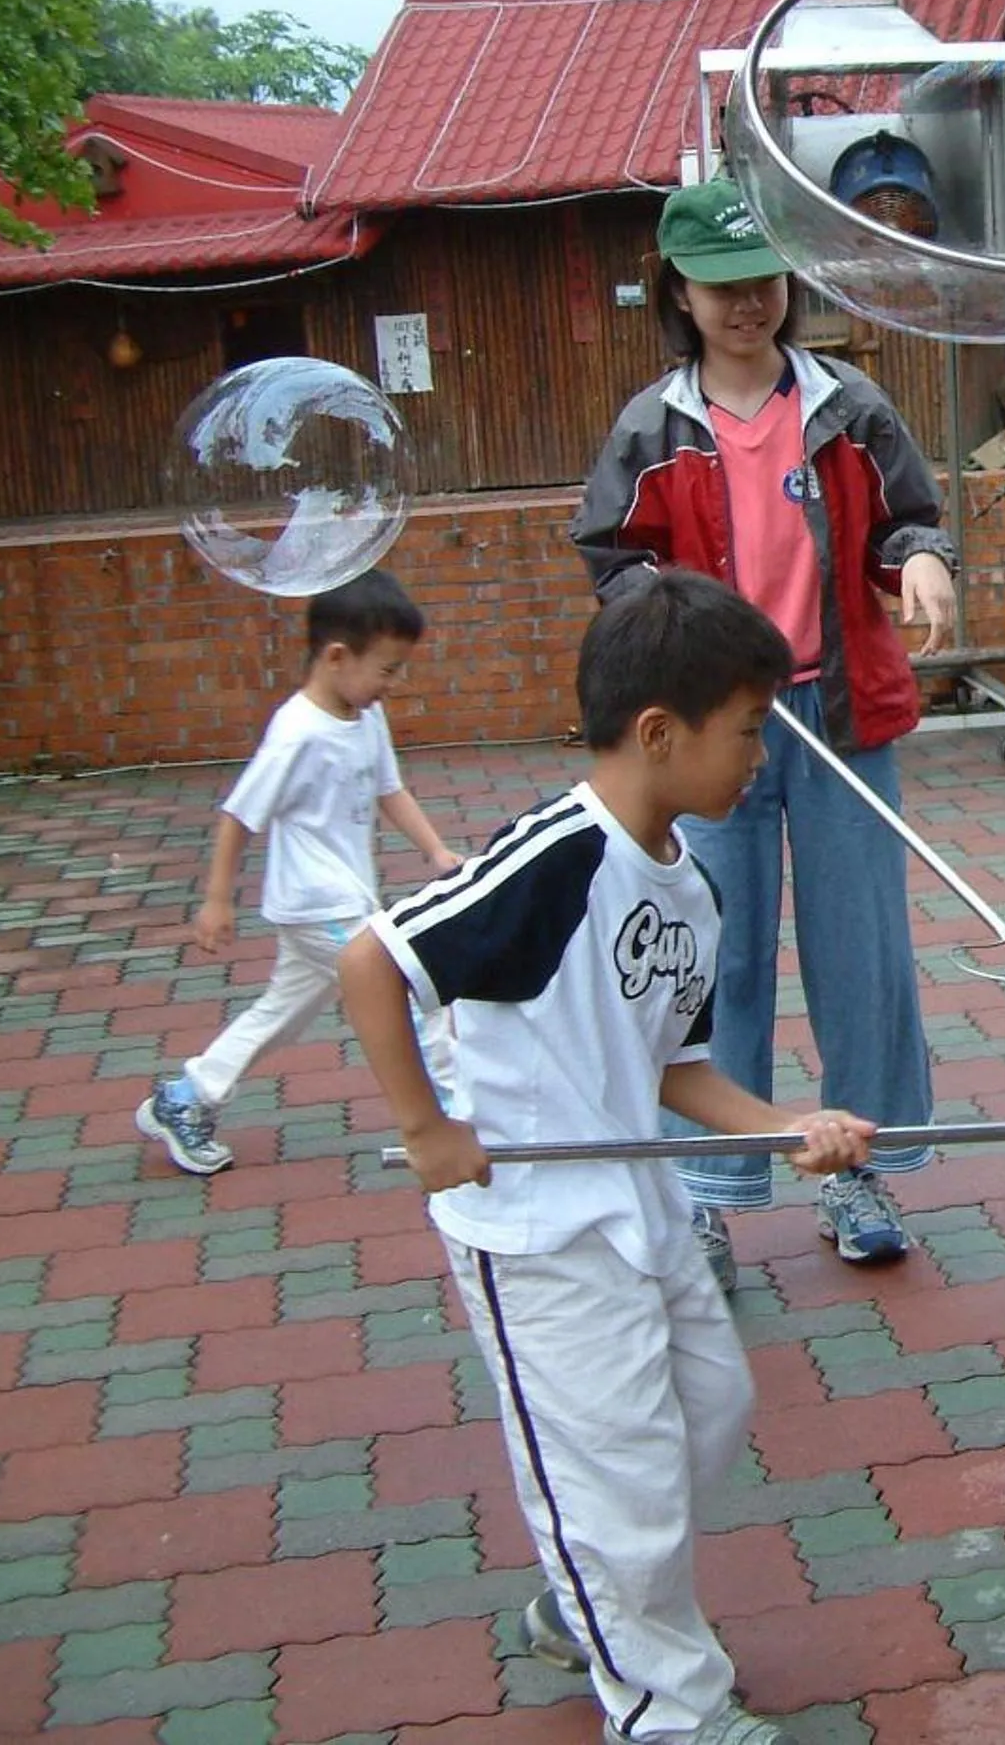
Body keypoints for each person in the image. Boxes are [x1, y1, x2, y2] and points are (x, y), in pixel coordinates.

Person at [342, 570, 876, 1745]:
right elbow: (373, 960)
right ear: (659, 731)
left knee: (712, 1403)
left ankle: (585, 1593)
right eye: (748, 731)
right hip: (537, 1231)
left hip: (640, 1204)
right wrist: (428, 1126)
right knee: (619, 1477)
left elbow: (675, 1068)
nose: (759, 760)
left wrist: (789, 1126)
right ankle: (670, 1709)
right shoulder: (556, 858)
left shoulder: (690, 887)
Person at [573, 179, 956, 1289]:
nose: (747, 305)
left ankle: (858, 1170)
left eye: (763, 282)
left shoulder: (849, 404)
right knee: (711, 959)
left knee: (862, 952)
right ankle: (705, 1192)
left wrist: (922, 561)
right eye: (721, 287)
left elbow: (908, 520)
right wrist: (677, 636)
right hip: (711, 734)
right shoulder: (651, 426)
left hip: (842, 716)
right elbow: (612, 557)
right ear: (678, 294)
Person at [136, 569, 462, 1176]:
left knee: (282, 1012)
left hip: (343, 899)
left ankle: (186, 1098)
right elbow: (239, 815)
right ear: (336, 657)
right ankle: (454, 1115)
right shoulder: (296, 733)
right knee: (410, 991)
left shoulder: (365, 715)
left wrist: (437, 853)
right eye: (387, 670)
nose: (393, 684)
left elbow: (390, 790)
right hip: (319, 905)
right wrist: (216, 900)